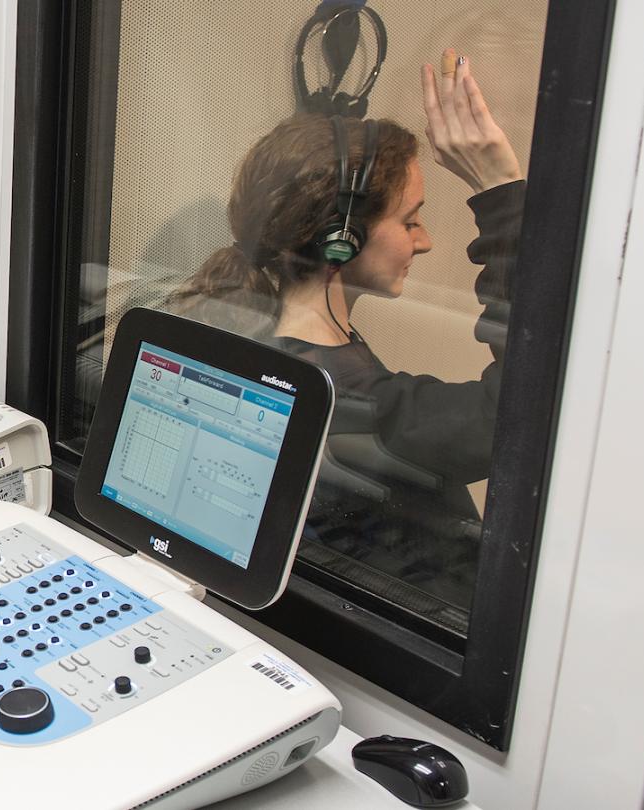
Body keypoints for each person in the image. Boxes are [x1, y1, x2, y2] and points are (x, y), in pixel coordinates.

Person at [162, 52, 524, 615]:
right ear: (342, 238)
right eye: (409, 221)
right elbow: (525, 412)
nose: (424, 241)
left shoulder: (245, 341)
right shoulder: (355, 406)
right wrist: (502, 192)